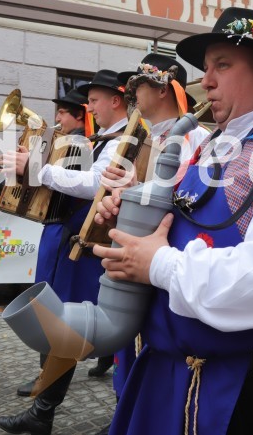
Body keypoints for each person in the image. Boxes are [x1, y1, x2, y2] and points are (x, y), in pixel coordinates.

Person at [93, 8, 253, 435]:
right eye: (206, 68)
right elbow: (180, 220)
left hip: (235, 380)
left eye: (222, 66)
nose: (205, 81)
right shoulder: (213, 144)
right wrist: (130, 211)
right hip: (168, 366)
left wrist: (160, 265)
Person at [0, 74, 129, 435]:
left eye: (96, 101)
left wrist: (37, 167)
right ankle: (42, 411)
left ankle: (122, 416)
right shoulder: (99, 140)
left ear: (117, 100)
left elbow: (94, 187)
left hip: (87, 250)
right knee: (59, 325)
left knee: (89, 330)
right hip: (69, 242)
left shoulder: (127, 139)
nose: (90, 108)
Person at [94, 54, 211, 431]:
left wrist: (135, 192)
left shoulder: (196, 138)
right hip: (136, 261)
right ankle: (125, 415)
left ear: (160, 88)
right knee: (127, 351)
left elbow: (191, 203)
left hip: (166, 264)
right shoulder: (141, 135)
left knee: (158, 361)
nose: (132, 95)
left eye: (137, 86)